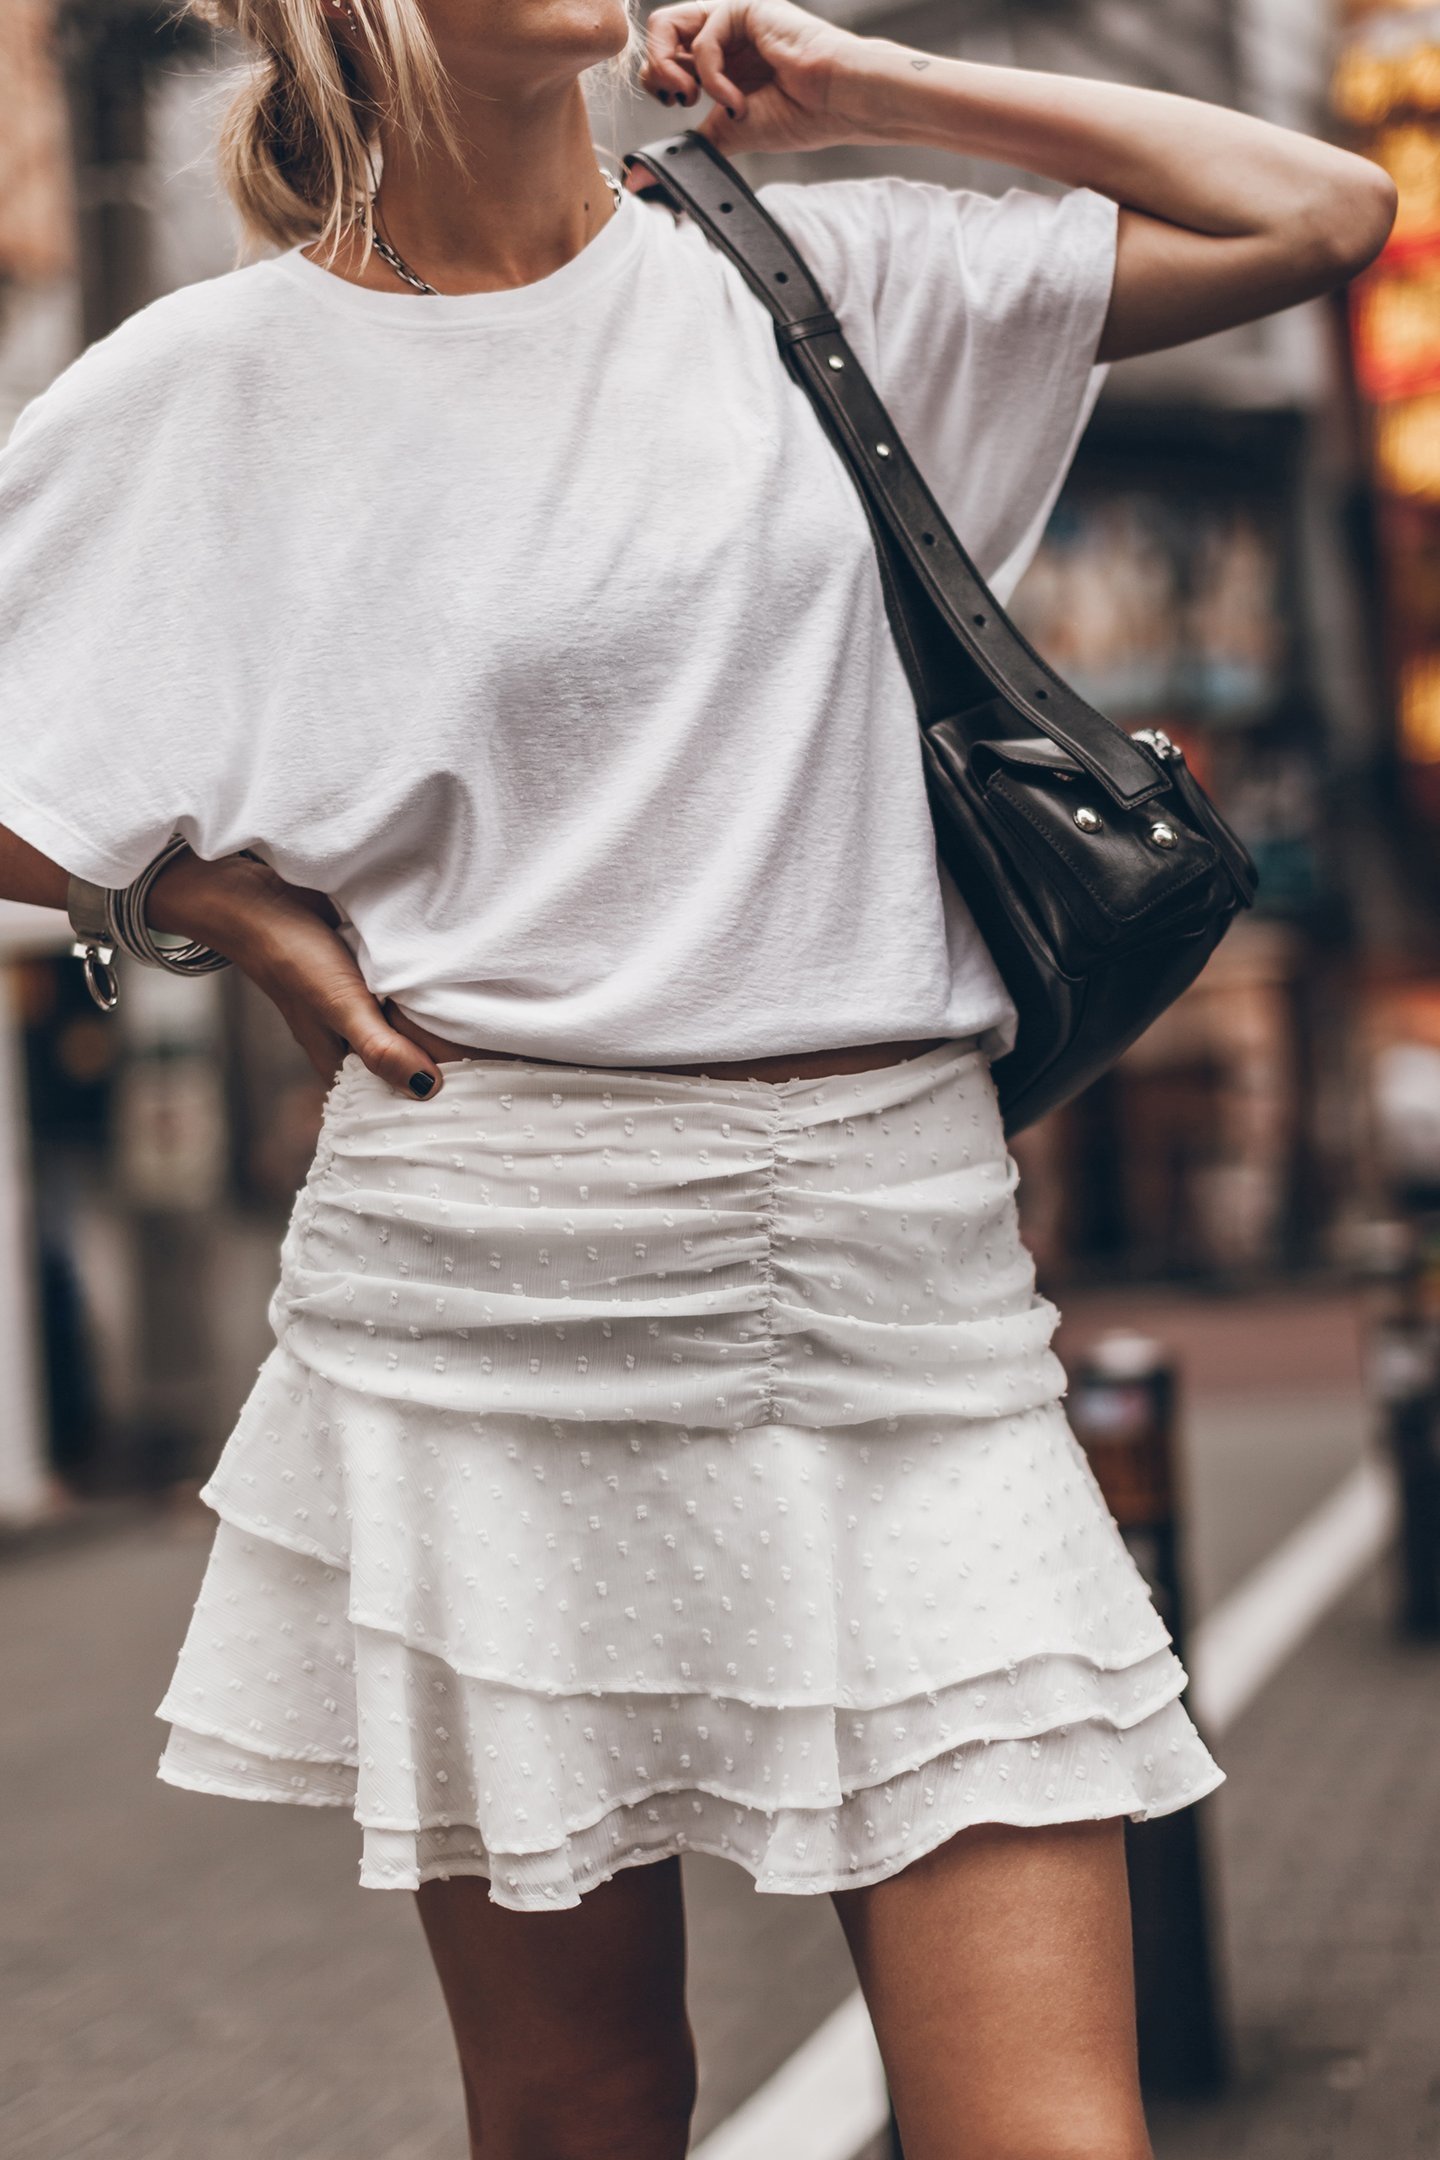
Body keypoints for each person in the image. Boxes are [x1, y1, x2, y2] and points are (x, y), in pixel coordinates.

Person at [0, 3, 1392, 2154]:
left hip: (899, 1283)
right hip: (489, 1295)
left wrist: (870, 92)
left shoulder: (811, 270)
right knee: (586, 2109)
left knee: (1050, 2128)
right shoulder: (212, 383)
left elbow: (1322, 211)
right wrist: (207, 902)